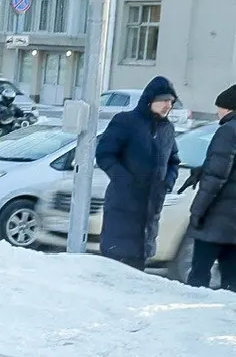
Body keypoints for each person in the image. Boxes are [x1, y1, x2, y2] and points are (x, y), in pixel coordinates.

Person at [98, 76, 181, 269]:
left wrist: (167, 183)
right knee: (116, 263)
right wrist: (124, 180)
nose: (168, 105)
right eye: (164, 100)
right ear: (150, 100)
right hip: (123, 203)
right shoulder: (126, 121)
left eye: (171, 102)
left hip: (151, 206)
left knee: (139, 263)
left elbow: (174, 161)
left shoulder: (167, 128)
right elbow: (104, 154)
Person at [187, 84, 236, 288]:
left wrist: (197, 211)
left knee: (199, 274)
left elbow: (217, 177)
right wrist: (203, 168)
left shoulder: (228, 131)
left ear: (228, 108)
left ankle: (193, 306)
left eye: (219, 108)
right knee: (231, 280)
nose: (217, 113)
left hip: (217, 217)